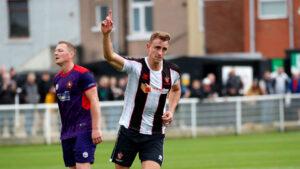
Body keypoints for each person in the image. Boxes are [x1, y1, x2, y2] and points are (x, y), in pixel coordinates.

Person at [101, 10, 181, 169]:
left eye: (164, 49)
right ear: (148, 47)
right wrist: (106, 35)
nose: (160, 53)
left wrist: (171, 110)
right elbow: (110, 57)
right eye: (157, 48)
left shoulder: (173, 72)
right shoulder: (135, 66)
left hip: (155, 134)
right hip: (130, 130)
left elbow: (176, 90)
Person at [53, 41, 102, 169]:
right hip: (67, 131)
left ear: (71, 54)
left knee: (82, 166)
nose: (55, 53)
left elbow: (94, 101)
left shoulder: (83, 74)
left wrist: (95, 128)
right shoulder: (57, 78)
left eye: (60, 50)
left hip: (84, 128)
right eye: (55, 50)